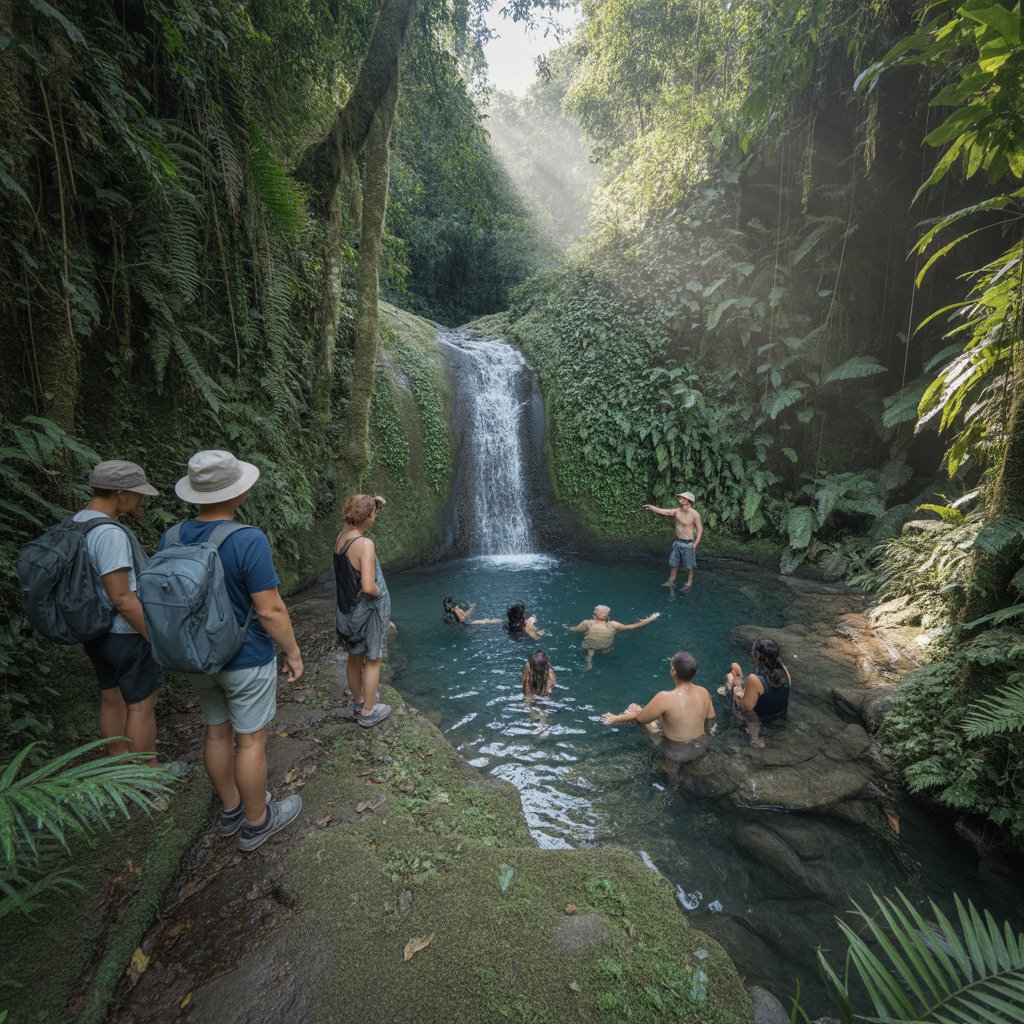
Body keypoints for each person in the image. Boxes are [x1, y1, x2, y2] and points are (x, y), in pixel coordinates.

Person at [167, 450, 303, 852]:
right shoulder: (248, 539)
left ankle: (230, 810)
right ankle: (258, 821)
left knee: (215, 730)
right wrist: (293, 652)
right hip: (244, 657)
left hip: (196, 655)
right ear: (238, 493)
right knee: (250, 741)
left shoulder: (171, 536)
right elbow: (271, 608)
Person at [74, 461, 172, 770]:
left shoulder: (77, 522)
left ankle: (119, 771)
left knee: (111, 697)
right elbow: (121, 596)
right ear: (120, 493)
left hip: (94, 629)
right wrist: (153, 636)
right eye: (137, 494)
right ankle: (148, 777)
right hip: (124, 632)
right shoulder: (110, 533)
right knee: (142, 705)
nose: (140, 500)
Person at [601, 651, 715, 782]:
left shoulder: (664, 697)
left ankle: (673, 781)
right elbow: (711, 721)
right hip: (700, 748)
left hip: (675, 753)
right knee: (664, 719)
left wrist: (615, 718)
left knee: (637, 716)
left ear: (673, 670)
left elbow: (640, 719)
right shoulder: (704, 692)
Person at [335, 494, 393, 729]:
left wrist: (374, 502)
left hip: (345, 612)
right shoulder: (365, 545)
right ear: (367, 517)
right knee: (373, 658)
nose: (375, 517)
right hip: (365, 613)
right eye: (374, 513)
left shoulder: (341, 538)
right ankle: (369, 711)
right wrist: (381, 595)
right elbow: (368, 586)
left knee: (354, 656)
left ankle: (359, 701)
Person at [718, 638, 791, 749]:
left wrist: (739, 692)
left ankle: (755, 740)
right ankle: (736, 679)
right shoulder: (784, 670)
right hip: (781, 719)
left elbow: (745, 708)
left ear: (757, 656)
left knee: (728, 687)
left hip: (764, 723)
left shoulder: (754, 679)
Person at [565, 605, 661, 669]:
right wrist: (651, 618)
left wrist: (566, 628)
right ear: (607, 616)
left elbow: (575, 629)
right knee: (614, 638)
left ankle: (589, 660)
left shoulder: (587, 623)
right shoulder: (613, 625)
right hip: (605, 646)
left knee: (591, 648)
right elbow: (633, 626)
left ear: (594, 615)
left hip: (588, 646)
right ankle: (605, 652)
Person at [643, 491, 703, 588]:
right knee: (674, 563)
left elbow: (700, 530)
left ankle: (689, 582)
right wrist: (653, 508)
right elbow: (665, 511)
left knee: (689, 565)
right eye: (680, 498)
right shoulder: (677, 511)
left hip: (688, 544)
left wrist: (696, 544)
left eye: (682, 498)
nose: (680, 499)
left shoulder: (695, 514)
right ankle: (671, 581)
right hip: (678, 542)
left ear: (688, 500)